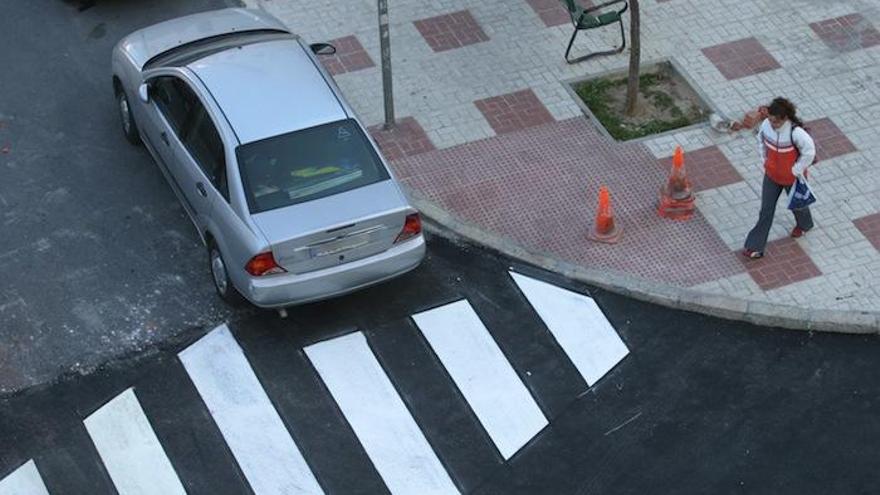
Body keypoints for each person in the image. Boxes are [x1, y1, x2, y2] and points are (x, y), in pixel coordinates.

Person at [742, 97, 816, 259]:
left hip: (793, 178)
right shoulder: (766, 126)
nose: (772, 124)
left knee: (798, 205)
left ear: (785, 118)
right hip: (772, 176)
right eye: (770, 120)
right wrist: (765, 160)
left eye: (776, 122)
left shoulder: (796, 133)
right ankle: (755, 246)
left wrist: (796, 170)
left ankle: (805, 224)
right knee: (766, 211)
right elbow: (761, 142)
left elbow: (809, 152)